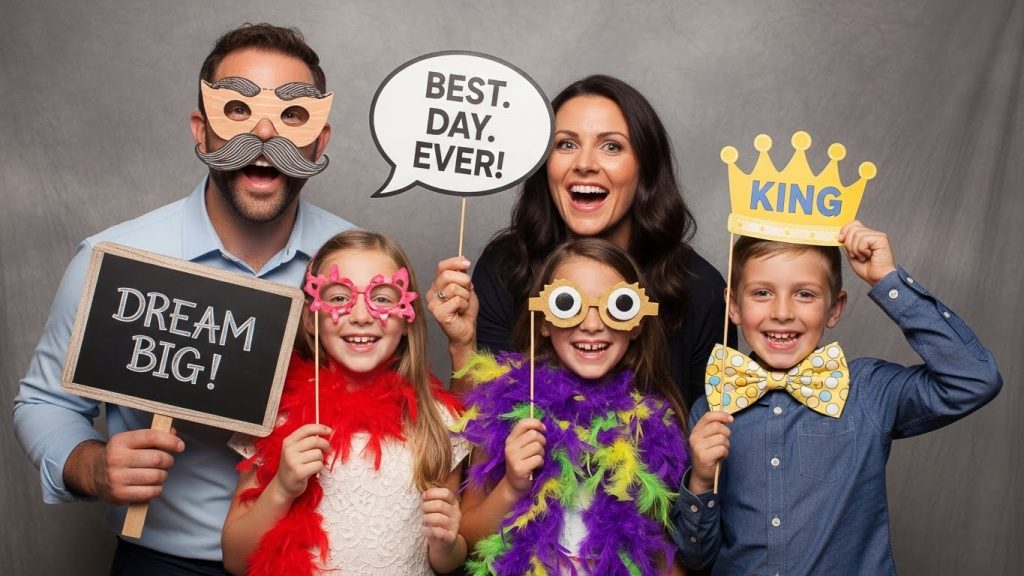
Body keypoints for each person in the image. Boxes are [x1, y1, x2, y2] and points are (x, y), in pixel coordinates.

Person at [13, 23, 354, 574]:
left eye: (293, 116)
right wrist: (93, 465)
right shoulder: (116, 258)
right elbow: (44, 404)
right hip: (163, 559)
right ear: (201, 130)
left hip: (316, 561)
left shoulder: (355, 266)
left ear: (320, 138)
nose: (265, 136)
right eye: (237, 111)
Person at [673, 221, 1002, 574]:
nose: (782, 312)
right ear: (733, 308)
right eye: (762, 293)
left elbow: (974, 379)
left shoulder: (869, 391)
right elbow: (696, 559)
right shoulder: (712, 408)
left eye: (805, 294)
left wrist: (887, 281)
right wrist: (701, 483)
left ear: (834, 308)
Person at [429, 74, 733, 406]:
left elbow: (715, 439)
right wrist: (462, 347)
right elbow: (480, 436)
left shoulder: (699, 288)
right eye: (566, 144)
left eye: (611, 146)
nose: (585, 164)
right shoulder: (506, 267)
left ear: (644, 167)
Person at [221, 230, 469, 575]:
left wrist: (447, 543)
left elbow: (446, 562)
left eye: (383, 299)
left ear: (406, 318)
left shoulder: (436, 421)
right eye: (338, 298)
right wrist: (281, 488)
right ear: (310, 319)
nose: (362, 315)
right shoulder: (279, 416)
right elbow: (235, 560)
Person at [453, 238, 707, 575]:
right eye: (568, 304)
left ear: (636, 323)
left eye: (616, 306)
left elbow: (659, 551)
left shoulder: (649, 426)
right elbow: (468, 539)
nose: (591, 324)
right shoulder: (503, 409)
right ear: (543, 321)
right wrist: (513, 485)